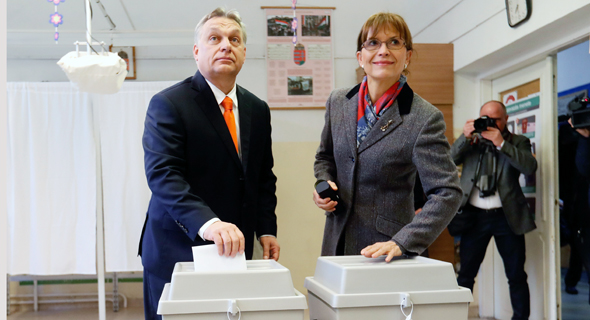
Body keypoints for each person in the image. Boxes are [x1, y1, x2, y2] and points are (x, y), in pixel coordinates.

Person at [139, 8, 280, 320]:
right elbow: (164, 175)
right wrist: (210, 223)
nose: (226, 45)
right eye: (214, 38)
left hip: (233, 250)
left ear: (244, 51)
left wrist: (266, 229)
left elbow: (262, 178)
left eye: (234, 39)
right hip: (176, 247)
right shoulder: (169, 104)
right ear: (197, 50)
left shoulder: (257, 109)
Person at [313, 12, 462, 262]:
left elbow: (448, 192)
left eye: (394, 42)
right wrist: (323, 184)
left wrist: (403, 241)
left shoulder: (424, 117)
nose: (383, 50)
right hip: (335, 241)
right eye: (373, 43)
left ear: (408, 56)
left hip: (386, 251)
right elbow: (324, 157)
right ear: (361, 57)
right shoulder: (338, 102)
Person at [451, 100, 537, 320]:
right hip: (475, 217)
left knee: (516, 275)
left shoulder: (519, 141)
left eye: (495, 119)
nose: (490, 123)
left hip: (506, 217)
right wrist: (465, 137)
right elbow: (449, 161)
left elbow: (529, 167)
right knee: (466, 275)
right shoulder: (472, 141)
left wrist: (501, 144)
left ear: (506, 119)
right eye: (485, 118)